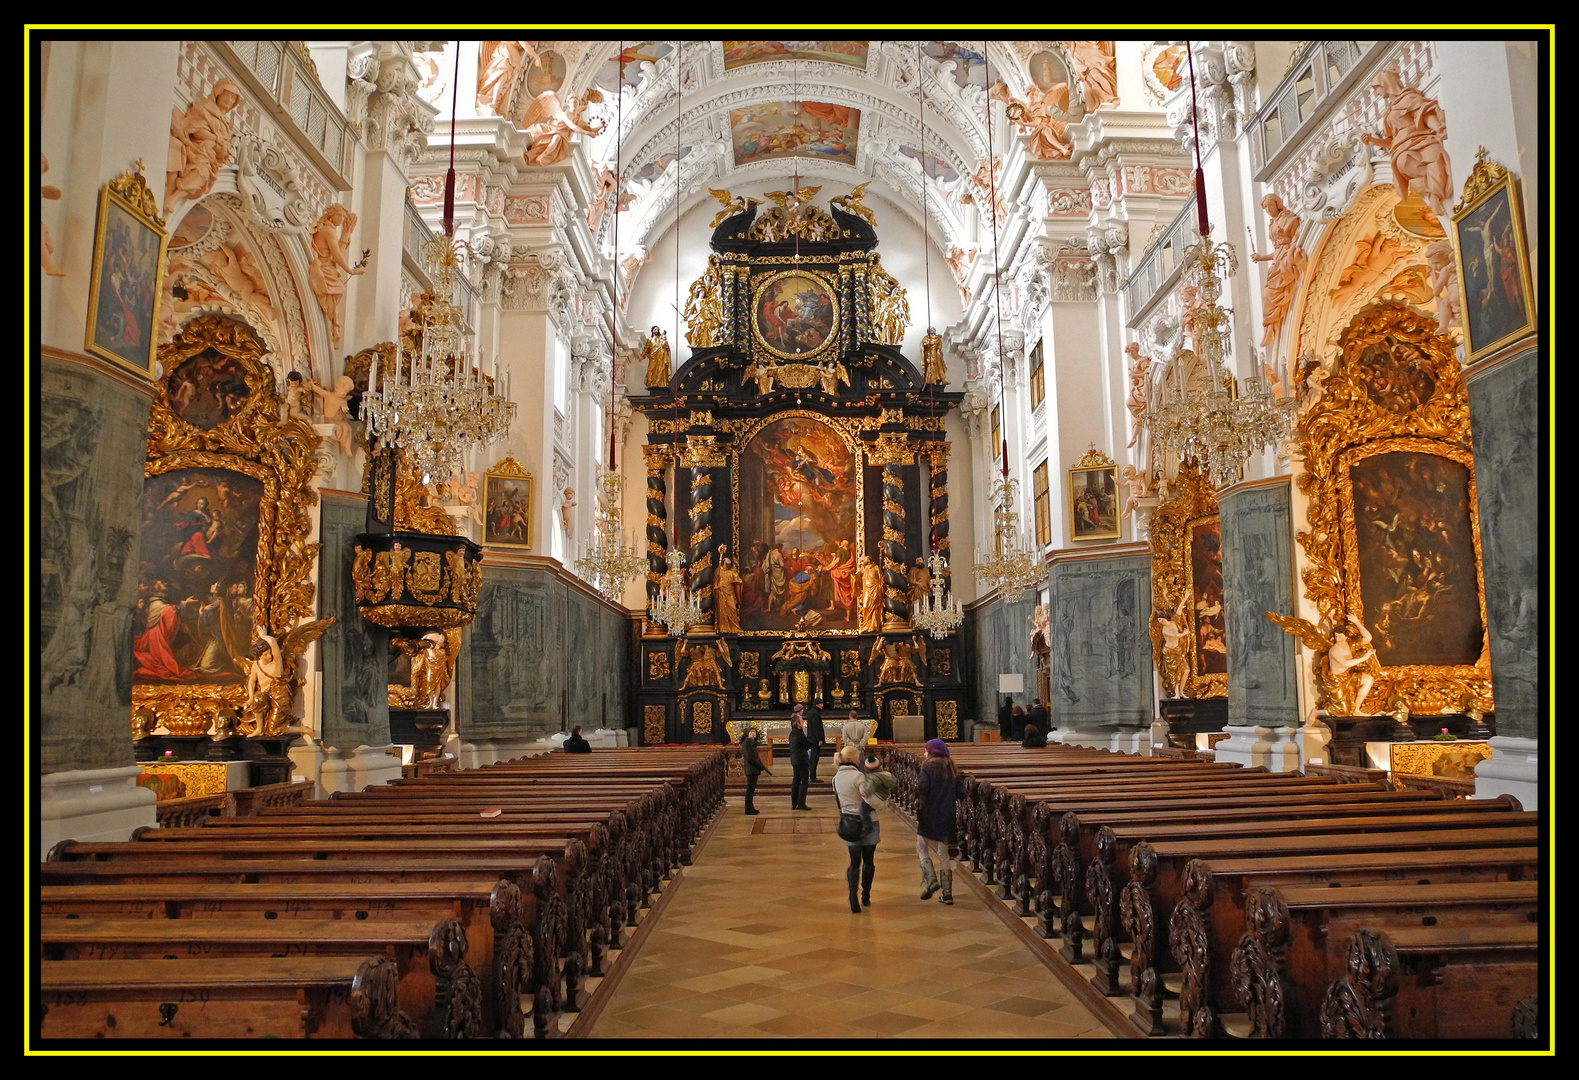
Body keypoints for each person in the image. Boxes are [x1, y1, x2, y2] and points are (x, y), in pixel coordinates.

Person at [915, 739, 964, 904]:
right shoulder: (952, 767)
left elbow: (922, 789)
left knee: (921, 846)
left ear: (932, 752)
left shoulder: (927, 767)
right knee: (943, 854)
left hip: (929, 812)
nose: (924, 754)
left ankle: (931, 880)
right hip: (947, 814)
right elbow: (961, 792)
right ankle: (947, 893)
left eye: (926, 751)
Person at [833, 744, 879, 913]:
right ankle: (865, 895)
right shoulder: (858, 776)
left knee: (853, 863)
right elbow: (869, 799)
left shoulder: (836, 778)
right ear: (853, 759)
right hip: (867, 823)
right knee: (868, 861)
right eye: (858, 756)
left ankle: (853, 895)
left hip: (848, 822)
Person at [740, 723, 768, 815]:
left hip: (754, 769)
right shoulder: (746, 743)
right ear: (748, 733)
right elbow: (750, 757)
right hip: (751, 769)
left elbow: (755, 757)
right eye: (751, 732)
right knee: (750, 789)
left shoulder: (752, 743)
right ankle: (748, 808)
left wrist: (761, 765)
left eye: (754, 732)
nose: (753, 733)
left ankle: (751, 807)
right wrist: (759, 766)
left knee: (752, 789)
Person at [788, 712, 811, 810]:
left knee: (796, 781)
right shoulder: (799, 734)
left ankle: (794, 803)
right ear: (797, 724)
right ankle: (801, 803)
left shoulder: (792, 733)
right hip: (802, 760)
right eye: (802, 722)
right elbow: (808, 744)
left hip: (795, 760)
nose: (803, 723)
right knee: (804, 781)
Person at [804, 701, 826, 782]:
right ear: (817, 704)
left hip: (811, 738)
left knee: (813, 757)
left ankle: (812, 775)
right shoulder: (815, 713)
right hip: (815, 740)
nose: (822, 705)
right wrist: (819, 739)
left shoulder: (811, 712)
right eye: (821, 703)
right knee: (814, 757)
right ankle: (812, 776)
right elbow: (816, 727)